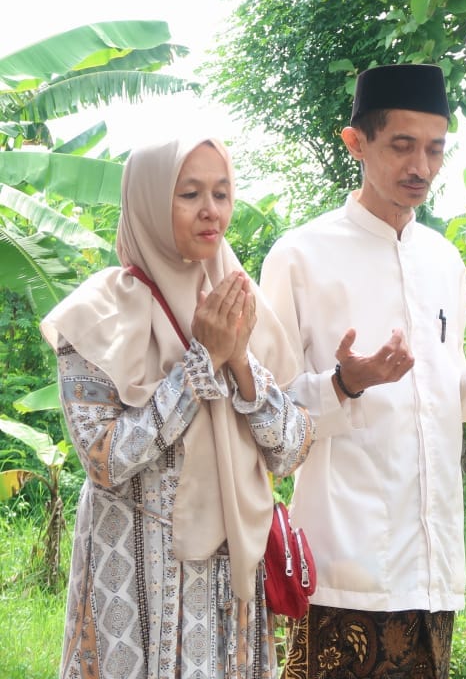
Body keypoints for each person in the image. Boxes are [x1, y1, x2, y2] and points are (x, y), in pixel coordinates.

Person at [259, 63, 466, 679]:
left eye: (435, 149)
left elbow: (447, 402)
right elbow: (266, 413)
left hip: (433, 568)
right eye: (402, 146)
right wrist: (347, 383)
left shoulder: (444, 260)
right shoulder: (301, 256)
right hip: (342, 568)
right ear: (356, 142)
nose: (421, 167)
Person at [42, 136, 314, 679]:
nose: (211, 210)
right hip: (136, 580)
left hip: (226, 583)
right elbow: (105, 460)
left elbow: (291, 450)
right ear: (148, 201)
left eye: (222, 192)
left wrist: (239, 363)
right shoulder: (99, 315)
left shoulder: (238, 300)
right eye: (189, 194)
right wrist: (200, 364)